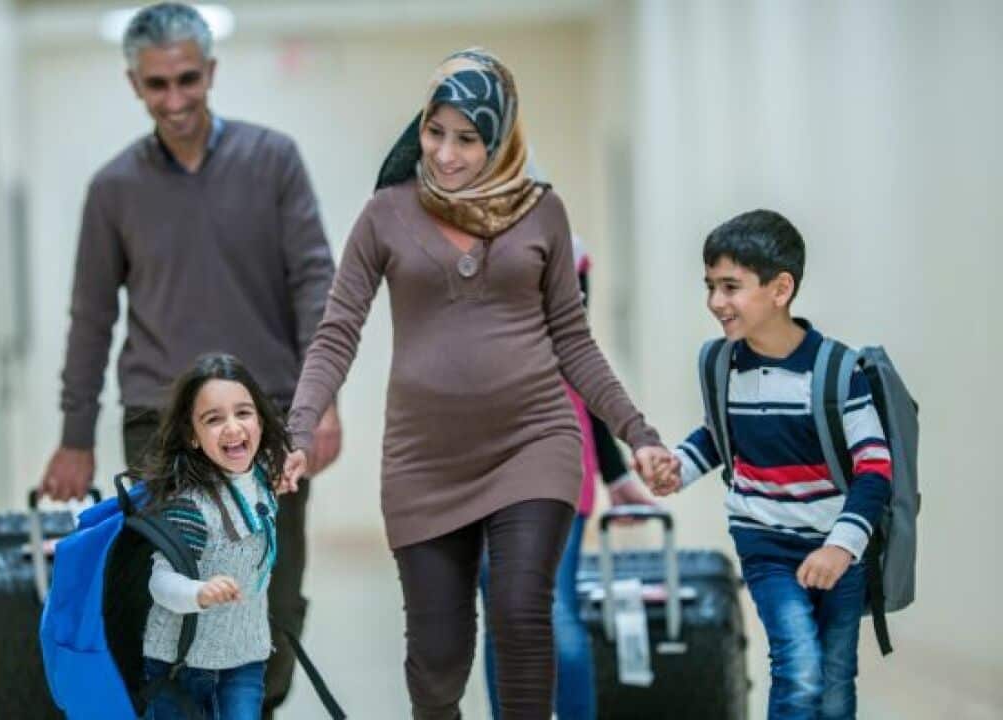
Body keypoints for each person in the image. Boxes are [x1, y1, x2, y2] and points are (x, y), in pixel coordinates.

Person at [280, 48, 676, 719]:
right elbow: (338, 328)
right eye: (435, 132)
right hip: (424, 461)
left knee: (524, 613)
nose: (446, 154)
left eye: (468, 139)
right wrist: (298, 427)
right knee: (437, 659)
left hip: (533, 443)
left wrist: (637, 434)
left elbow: (574, 342)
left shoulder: (542, 212)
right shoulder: (386, 213)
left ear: (500, 140)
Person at [36, 5, 340, 714]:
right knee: (163, 599)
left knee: (270, 590)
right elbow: (92, 318)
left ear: (211, 72)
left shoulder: (273, 161)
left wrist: (321, 402)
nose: (174, 101)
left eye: (187, 80)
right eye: (156, 86)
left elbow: (316, 286)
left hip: (262, 422)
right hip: (159, 425)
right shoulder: (114, 189)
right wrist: (75, 436)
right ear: (133, 85)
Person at [650, 209, 893, 719]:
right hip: (767, 545)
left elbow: (875, 469)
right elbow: (721, 437)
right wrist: (679, 466)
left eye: (731, 287)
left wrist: (841, 548)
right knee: (799, 667)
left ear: (780, 289)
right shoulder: (720, 363)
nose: (716, 302)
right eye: (710, 286)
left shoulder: (838, 372)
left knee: (833, 680)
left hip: (837, 549)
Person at [477, 237, 658, 720]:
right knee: (504, 623)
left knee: (554, 613)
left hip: (555, 461)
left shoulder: (566, 253)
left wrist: (616, 473)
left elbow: (579, 362)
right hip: (470, 468)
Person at [139, 353, 286, 719]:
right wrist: (198, 593)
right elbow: (159, 582)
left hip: (245, 658)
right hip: (181, 664)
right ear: (192, 435)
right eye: (213, 419)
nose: (233, 428)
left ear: (261, 421)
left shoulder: (264, 483)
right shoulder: (191, 507)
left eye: (243, 413)